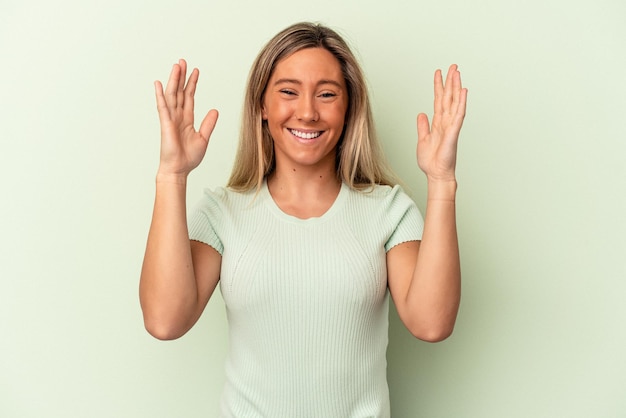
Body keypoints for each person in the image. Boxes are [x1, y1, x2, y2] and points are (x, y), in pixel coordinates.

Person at [140, 22, 467, 417]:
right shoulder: (223, 211)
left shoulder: (389, 211)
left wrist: (441, 180)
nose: (308, 112)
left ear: (349, 109)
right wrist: (172, 175)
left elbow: (431, 324)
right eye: (288, 92)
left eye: (327, 94)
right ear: (263, 106)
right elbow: (164, 320)